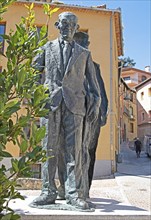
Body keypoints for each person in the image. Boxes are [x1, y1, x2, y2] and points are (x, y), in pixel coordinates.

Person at [31, 12, 101, 210]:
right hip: (50, 104)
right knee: (48, 149)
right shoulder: (46, 48)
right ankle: (47, 191)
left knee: (74, 152)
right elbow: (33, 74)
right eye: (64, 23)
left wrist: (95, 104)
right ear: (57, 25)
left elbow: (94, 86)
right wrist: (38, 95)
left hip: (75, 106)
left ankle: (73, 194)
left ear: (76, 28)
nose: (68, 28)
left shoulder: (84, 53)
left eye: (72, 25)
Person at [73, 31, 108, 196]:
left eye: (86, 44)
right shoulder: (70, 66)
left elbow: (101, 91)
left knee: (89, 151)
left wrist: (104, 112)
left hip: (92, 114)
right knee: (74, 151)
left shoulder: (94, 66)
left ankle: (85, 189)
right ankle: (72, 189)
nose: (86, 47)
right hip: (75, 114)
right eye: (83, 44)